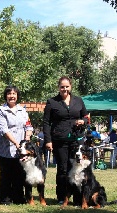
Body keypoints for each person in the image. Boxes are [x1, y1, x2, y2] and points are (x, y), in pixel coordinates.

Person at [43, 76, 89, 205]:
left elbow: (86, 116)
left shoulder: (78, 101)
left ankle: (78, 198)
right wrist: (48, 140)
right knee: (63, 169)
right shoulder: (52, 102)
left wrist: (83, 121)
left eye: (67, 86)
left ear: (71, 87)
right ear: (58, 87)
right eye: (62, 87)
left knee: (77, 169)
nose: (64, 89)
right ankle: (62, 197)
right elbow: (46, 122)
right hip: (59, 140)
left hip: (76, 140)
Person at [0, 86, 33, 205]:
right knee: (6, 174)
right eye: (9, 94)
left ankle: (18, 197)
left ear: (17, 96)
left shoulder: (23, 110)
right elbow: (4, 130)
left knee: (19, 173)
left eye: (14, 94)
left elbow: (28, 126)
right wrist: (16, 142)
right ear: (6, 96)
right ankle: (4, 197)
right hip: (6, 147)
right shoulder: (1, 110)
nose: (12, 96)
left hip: (21, 148)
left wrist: (26, 139)